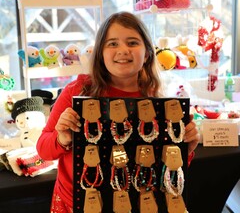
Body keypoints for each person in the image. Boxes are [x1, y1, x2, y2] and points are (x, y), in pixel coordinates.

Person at [36, 11, 200, 212]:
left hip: (133, 202)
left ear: (147, 52)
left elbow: (163, 168)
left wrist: (187, 149)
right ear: (101, 53)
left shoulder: (157, 102)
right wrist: (62, 138)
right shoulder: (77, 90)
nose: (123, 50)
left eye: (132, 42)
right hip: (75, 202)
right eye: (112, 43)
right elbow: (43, 150)